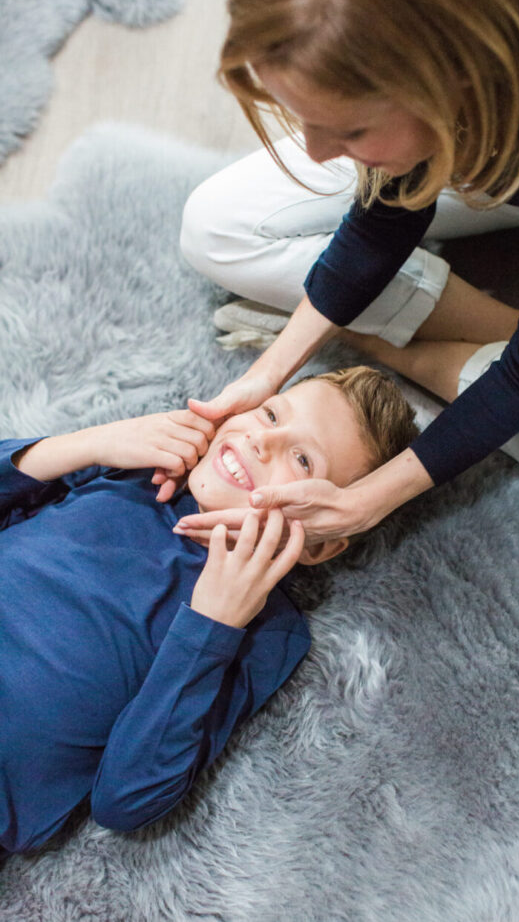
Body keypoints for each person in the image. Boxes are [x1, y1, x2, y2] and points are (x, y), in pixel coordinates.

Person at [174, 0, 519, 539]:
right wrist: (265, 377)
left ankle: (404, 342)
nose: (317, 154)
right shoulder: (407, 19)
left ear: (445, 89)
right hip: (495, 134)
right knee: (214, 229)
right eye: (305, 118)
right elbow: (380, 223)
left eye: (348, 130)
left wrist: (368, 500)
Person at [0, 366, 418, 856]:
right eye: (269, 413)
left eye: (302, 459)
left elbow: (125, 801)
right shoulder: (131, 468)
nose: (263, 440)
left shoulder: (264, 629)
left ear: (321, 547)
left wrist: (212, 626)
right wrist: (88, 443)